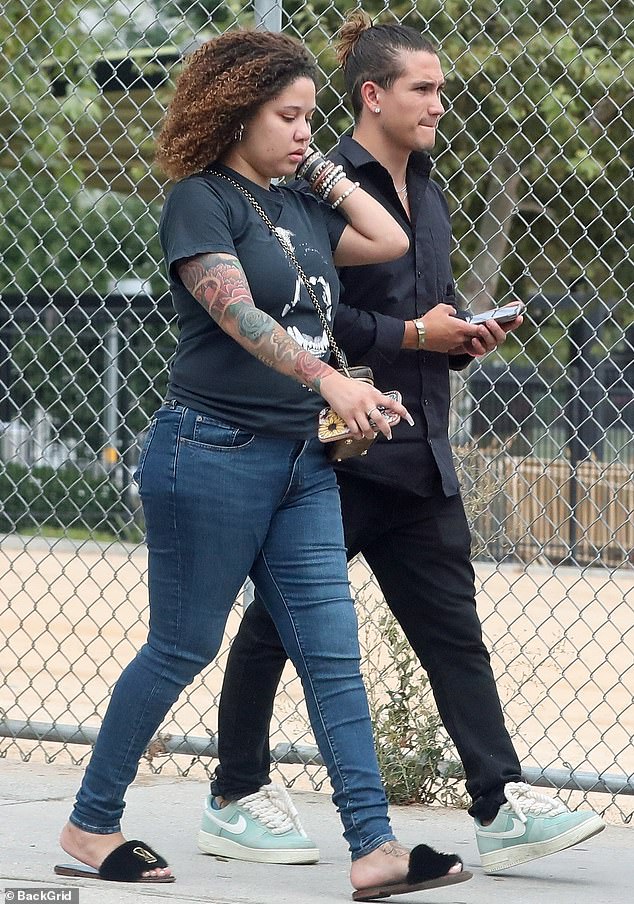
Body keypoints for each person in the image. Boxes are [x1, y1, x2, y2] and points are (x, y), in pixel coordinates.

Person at [53, 29, 473, 899]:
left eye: (311, 118)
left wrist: (314, 165)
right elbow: (239, 313)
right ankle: (91, 824)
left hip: (301, 466)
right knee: (183, 645)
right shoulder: (199, 201)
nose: (302, 133)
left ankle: (374, 850)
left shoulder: (297, 205)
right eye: (286, 116)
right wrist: (329, 378)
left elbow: (386, 237)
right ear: (235, 111)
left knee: (332, 652)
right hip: (208, 453)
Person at [206, 13, 605, 875]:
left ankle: (498, 803)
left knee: (453, 631)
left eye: (442, 90)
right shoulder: (317, 185)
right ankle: (235, 792)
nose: (438, 105)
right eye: (423, 89)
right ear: (373, 94)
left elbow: (424, 304)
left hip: (421, 451)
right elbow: (308, 314)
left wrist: (458, 332)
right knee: (276, 623)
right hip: (337, 453)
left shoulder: (428, 189)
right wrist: (411, 337)